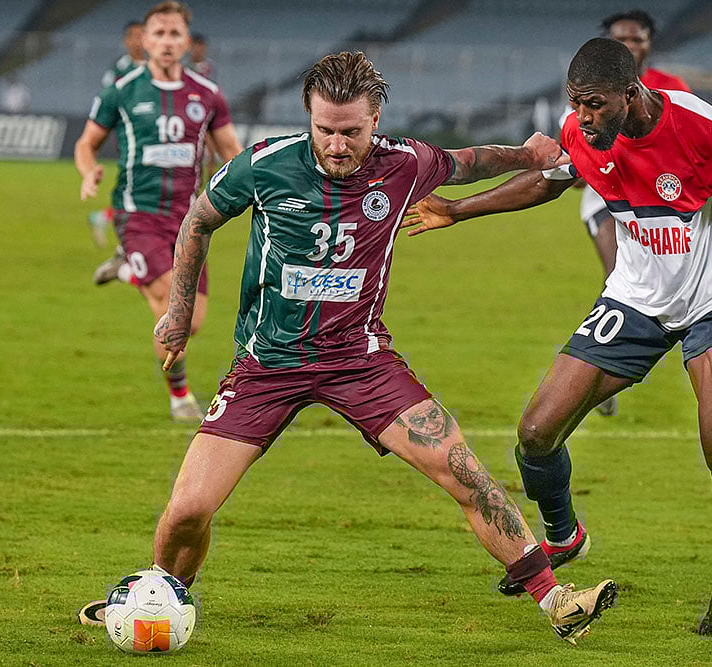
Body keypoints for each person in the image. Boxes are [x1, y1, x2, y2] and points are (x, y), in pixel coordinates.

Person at [77, 50, 619, 645]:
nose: (337, 146)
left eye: (352, 132)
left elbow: (469, 162)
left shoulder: (406, 163)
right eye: (325, 131)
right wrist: (178, 315)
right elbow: (198, 221)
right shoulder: (264, 165)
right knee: (187, 511)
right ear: (309, 118)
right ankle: (156, 596)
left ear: (376, 119)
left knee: (463, 471)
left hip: (360, 360)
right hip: (267, 365)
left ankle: (557, 599)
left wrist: (528, 155)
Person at [404, 37, 712, 637]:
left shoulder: (707, 130)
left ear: (633, 94)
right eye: (577, 104)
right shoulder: (584, 131)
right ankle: (564, 535)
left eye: (595, 104)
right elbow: (549, 182)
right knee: (536, 434)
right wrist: (460, 210)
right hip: (635, 299)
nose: (585, 117)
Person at [74, 1, 243, 421]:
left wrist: (258, 190)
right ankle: (180, 396)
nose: (167, 42)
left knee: (192, 321)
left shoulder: (207, 95)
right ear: (144, 40)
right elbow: (85, 143)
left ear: (186, 42)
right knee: (172, 307)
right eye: (159, 34)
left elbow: (232, 153)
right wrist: (88, 171)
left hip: (191, 220)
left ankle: (127, 268)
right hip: (138, 214)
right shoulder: (123, 89)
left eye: (174, 35)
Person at [581, 9, 692, 416]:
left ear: (649, 43)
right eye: (620, 40)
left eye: (637, 38)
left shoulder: (672, 88)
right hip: (607, 198)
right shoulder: (591, 88)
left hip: (661, 200)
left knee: (666, 281)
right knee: (620, 276)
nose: (630, 46)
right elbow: (579, 151)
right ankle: (600, 371)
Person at [90, 20, 147, 251]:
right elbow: (107, 104)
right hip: (131, 138)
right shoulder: (119, 70)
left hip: (154, 137)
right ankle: (130, 244)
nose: (138, 40)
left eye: (141, 35)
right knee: (140, 186)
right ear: (126, 40)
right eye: (133, 35)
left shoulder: (157, 67)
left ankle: (106, 219)